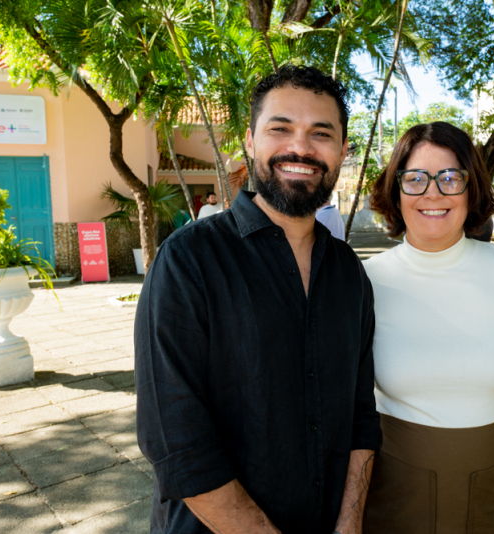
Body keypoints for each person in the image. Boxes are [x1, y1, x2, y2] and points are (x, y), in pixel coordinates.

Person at [135, 65, 381, 534]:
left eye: (321, 133)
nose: (301, 148)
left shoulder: (349, 272)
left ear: (343, 152)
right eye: (280, 128)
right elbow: (175, 440)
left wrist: (348, 525)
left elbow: (360, 416)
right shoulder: (188, 260)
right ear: (250, 142)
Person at [362, 122, 494, 533]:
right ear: (395, 190)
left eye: (450, 178)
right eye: (415, 179)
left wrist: (489, 396)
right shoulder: (364, 283)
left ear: (471, 188)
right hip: (393, 505)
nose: (433, 193)